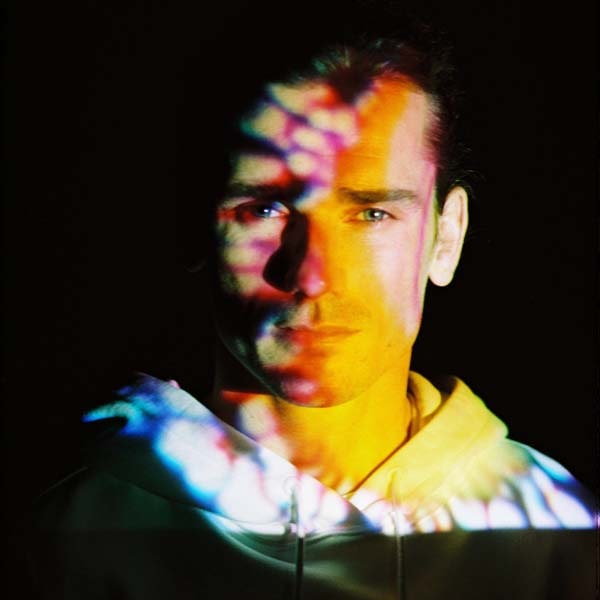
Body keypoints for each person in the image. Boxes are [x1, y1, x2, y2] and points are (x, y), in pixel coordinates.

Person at [30, 25, 596, 600]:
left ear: (445, 239)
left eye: (372, 214)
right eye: (263, 209)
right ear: (192, 228)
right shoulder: (55, 543)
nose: (312, 276)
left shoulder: (561, 535)